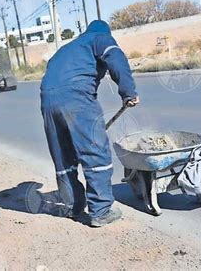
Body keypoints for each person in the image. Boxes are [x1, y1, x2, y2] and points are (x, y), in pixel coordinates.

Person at [40, 20, 139, 227]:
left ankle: (72, 206)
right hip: (76, 96)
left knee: (63, 155)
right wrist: (128, 92)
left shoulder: (67, 48)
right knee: (95, 151)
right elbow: (116, 58)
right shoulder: (99, 37)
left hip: (48, 99)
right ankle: (101, 210)